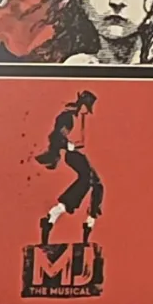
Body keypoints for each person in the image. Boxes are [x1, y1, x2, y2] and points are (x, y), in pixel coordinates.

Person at [37, 92, 103, 246]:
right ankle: (63, 211)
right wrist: (68, 145)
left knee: (97, 184)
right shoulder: (68, 116)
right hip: (72, 155)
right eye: (88, 107)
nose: (88, 111)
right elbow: (56, 136)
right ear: (82, 104)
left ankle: (87, 218)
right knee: (89, 178)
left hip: (79, 154)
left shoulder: (80, 117)